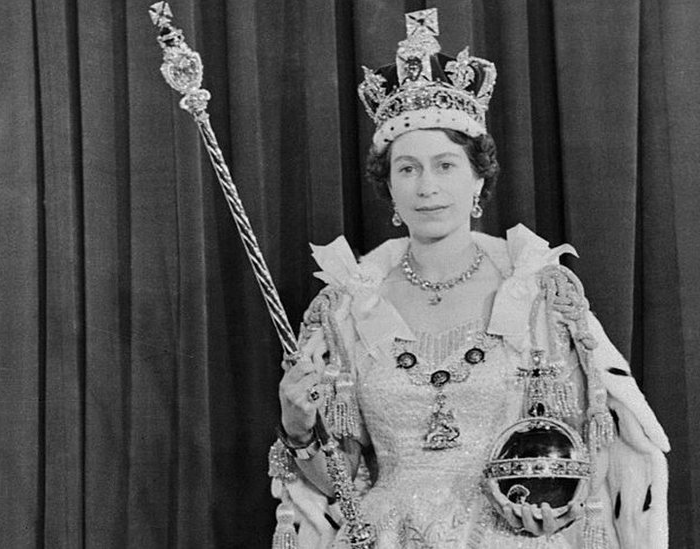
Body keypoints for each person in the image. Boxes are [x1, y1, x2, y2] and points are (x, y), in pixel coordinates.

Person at [269, 9, 669, 548]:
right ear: (389, 188)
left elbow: (580, 444)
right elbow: (341, 482)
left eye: (446, 165)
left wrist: (557, 508)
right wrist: (298, 428)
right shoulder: (347, 309)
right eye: (407, 168)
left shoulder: (538, 295)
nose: (426, 187)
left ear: (479, 178)